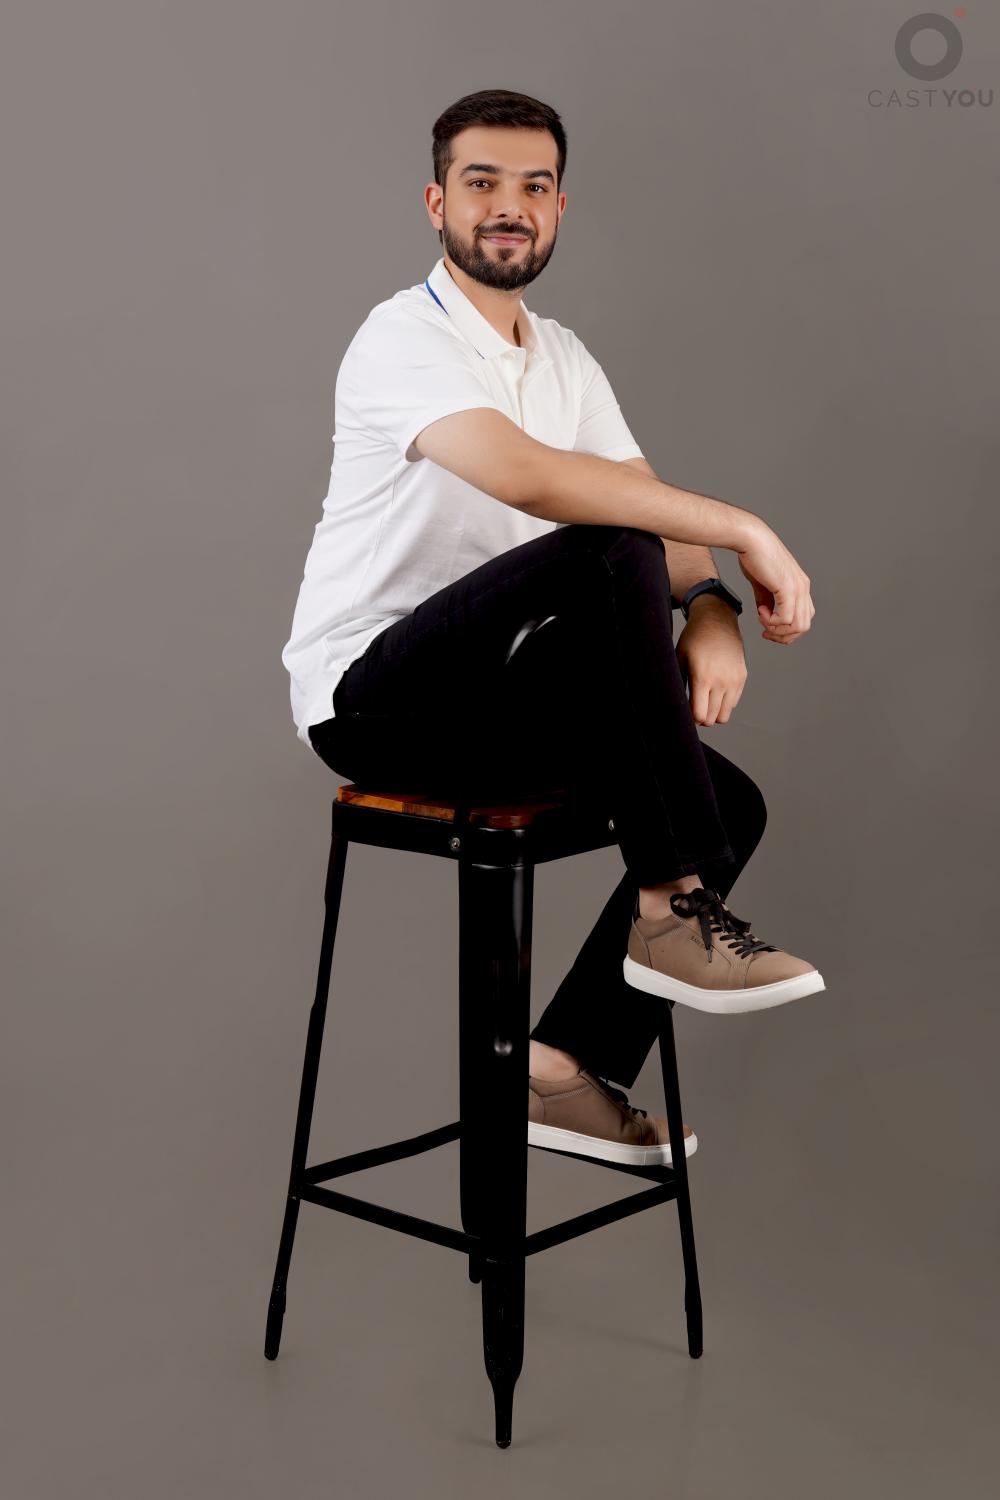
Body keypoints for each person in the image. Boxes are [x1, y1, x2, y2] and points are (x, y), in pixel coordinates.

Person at [280, 88, 824, 1172]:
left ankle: (560, 1068)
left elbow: (646, 499)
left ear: (560, 209)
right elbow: (534, 480)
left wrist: (711, 605)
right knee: (602, 545)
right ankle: (673, 911)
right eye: (481, 182)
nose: (509, 206)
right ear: (437, 202)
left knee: (729, 803)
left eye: (534, 186)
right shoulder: (400, 337)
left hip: (499, 697)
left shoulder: (563, 356)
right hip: (377, 702)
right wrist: (748, 531)